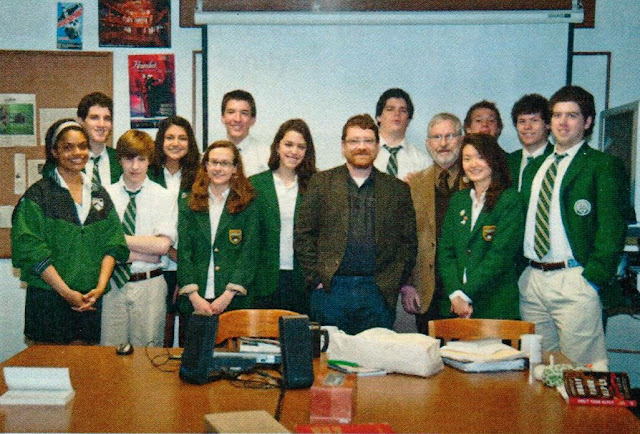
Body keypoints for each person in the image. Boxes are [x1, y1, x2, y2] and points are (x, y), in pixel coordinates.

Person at [518, 85, 629, 368]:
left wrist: (592, 279)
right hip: (533, 280)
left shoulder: (603, 166)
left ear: (588, 121)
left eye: (572, 115)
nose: (563, 122)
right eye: (557, 115)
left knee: (582, 374)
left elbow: (612, 230)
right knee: (540, 370)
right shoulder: (535, 167)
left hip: (574, 279)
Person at [295, 114, 417, 335]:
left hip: (377, 292)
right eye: (354, 141)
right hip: (331, 290)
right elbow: (304, 235)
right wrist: (316, 279)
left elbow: (408, 243)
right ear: (343, 146)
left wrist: (392, 282)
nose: (361, 147)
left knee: (375, 354)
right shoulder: (321, 183)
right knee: (329, 354)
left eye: (368, 141)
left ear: (377, 146)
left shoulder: (397, 189)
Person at [11, 119, 128, 344]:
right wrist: (66, 293)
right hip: (49, 300)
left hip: (89, 300)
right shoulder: (38, 196)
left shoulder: (98, 194)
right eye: (68, 147)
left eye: (83, 146)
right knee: (51, 364)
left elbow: (113, 244)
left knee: (86, 365)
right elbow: (31, 250)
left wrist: (100, 288)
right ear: (54, 151)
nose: (77, 153)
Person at [102, 130, 177, 347]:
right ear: (119, 160)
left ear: (149, 160)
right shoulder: (105, 195)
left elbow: (162, 246)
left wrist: (117, 240)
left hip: (150, 285)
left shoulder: (164, 196)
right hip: (113, 284)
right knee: (110, 355)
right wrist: (144, 253)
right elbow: (100, 244)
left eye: (141, 159)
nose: (135, 167)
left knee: (147, 354)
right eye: (129, 159)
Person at [438, 133, 523, 320]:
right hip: (455, 305)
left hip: (494, 304)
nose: (473, 164)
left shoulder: (509, 200)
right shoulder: (459, 200)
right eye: (467, 159)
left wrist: (465, 295)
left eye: (480, 157)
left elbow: (500, 256)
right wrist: (455, 294)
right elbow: (446, 251)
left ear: (493, 160)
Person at [176, 140, 258, 329]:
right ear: (205, 165)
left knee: (231, 348)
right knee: (195, 348)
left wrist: (228, 294)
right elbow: (184, 252)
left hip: (233, 300)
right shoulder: (189, 202)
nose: (218, 168)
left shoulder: (248, 203)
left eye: (225, 163)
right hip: (196, 298)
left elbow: (249, 252)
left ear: (235, 168)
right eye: (213, 162)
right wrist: (193, 296)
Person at [404, 113, 465, 333]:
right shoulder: (414, 184)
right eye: (437, 137)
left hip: (466, 290)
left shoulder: (476, 180)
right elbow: (406, 238)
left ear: (461, 139)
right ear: (428, 143)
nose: (443, 143)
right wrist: (408, 284)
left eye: (450, 136)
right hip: (426, 292)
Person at [250, 119, 317, 314]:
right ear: (277, 146)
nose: (294, 151)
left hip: (302, 281)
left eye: (301, 147)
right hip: (263, 281)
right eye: (288, 144)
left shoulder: (316, 185)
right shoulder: (255, 185)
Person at [149, 116, 201, 347]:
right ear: (161, 141)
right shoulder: (149, 174)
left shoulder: (200, 177)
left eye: (182, 138)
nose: (176, 143)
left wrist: (185, 268)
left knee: (189, 336)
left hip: (190, 265)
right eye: (170, 137)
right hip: (157, 265)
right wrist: (170, 252)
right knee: (162, 334)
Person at [372, 88, 431, 180]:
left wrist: (417, 187)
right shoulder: (364, 153)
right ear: (378, 117)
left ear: (408, 120)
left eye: (403, 110)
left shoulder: (423, 161)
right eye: (390, 109)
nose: (397, 114)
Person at [507, 93, 554, 191]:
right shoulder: (508, 161)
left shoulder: (557, 158)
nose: (527, 127)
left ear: (548, 124)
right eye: (522, 121)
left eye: (534, 120)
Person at [220, 89, 270, 177]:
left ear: (253, 120)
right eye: (231, 112)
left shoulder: (267, 156)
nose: (237, 119)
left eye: (244, 113)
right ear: (223, 118)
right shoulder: (209, 156)